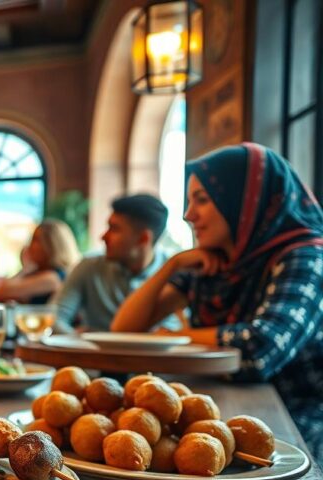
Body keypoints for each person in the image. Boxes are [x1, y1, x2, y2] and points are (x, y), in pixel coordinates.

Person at [111, 143, 323, 461]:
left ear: (243, 202)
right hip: (213, 411)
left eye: (202, 200)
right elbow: (124, 328)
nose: (188, 214)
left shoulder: (305, 255)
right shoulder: (213, 262)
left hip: (292, 423)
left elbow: (258, 351)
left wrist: (173, 340)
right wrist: (171, 266)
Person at [52, 194, 178, 332]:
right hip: (94, 353)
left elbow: (174, 330)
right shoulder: (89, 267)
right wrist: (83, 343)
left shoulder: (175, 274)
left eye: (114, 229)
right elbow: (54, 318)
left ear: (143, 238)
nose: (103, 237)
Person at [0, 219, 80, 304]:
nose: (30, 246)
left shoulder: (52, 278)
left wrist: (26, 269)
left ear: (51, 244)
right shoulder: (50, 274)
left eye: (35, 240)